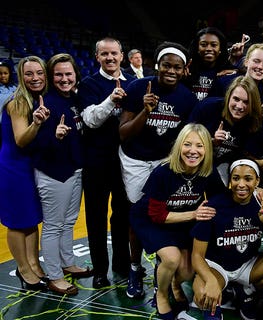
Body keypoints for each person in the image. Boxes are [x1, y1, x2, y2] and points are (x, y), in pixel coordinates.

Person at [119, 41, 196, 299]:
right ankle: (135, 267)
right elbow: (123, 134)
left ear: (185, 70)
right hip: (136, 160)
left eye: (177, 67)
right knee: (139, 214)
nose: (171, 71)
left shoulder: (187, 98)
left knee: (163, 212)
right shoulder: (138, 87)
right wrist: (145, 111)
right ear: (157, 65)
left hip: (165, 162)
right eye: (166, 65)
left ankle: (163, 267)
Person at [129, 123, 225, 319]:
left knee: (188, 271)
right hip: (151, 218)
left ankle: (172, 282)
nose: (193, 151)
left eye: (199, 146)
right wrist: (193, 214)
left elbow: (220, 198)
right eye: (187, 145)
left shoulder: (208, 171)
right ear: (179, 146)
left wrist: (254, 192)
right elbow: (157, 215)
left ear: (207, 148)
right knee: (172, 258)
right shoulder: (163, 172)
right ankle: (161, 295)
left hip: (182, 218)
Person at [77, 37, 137, 289]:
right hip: (96, 161)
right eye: (105, 54)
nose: (110, 58)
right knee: (96, 218)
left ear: (122, 55)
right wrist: (111, 99)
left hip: (125, 162)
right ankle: (100, 270)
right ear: (97, 57)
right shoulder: (89, 84)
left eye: (114, 54)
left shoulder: (135, 83)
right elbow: (90, 120)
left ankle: (122, 265)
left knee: (123, 216)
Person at [191, 158, 263, 320]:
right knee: (202, 294)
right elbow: (196, 256)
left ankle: (246, 292)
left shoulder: (262, 206)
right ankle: (219, 301)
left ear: (257, 181)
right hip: (217, 266)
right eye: (236, 178)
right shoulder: (213, 207)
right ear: (230, 181)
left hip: (247, 264)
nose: (241, 184)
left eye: (248, 179)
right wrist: (211, 281)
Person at [32, 53, 88, 296]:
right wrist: (54, 136)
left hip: (74, 169)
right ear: (50, 76)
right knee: (54, 226)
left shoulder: (75, 99)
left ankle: (67, 262)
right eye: (58, 75)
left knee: (68, 221)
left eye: (68, 74)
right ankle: (54, 275)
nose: (64, 79)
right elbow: (34, 145)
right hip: (54, 172)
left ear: (75, 75)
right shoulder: (45, 103)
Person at [0, 56, 49, 291]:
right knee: (18, 222)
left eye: (39, 72)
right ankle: (23, 268)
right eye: (29, 74)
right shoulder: (18, 102)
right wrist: (37, 123)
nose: (35, 78)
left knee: (31, 220)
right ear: (20, 75)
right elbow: (21, 140)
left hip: (28, 165)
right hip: (14, 167)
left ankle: (33, 264)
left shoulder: (36, 98)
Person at [189, 75, 263, 184]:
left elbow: (245, 158)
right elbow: (184, 141)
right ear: (228, 96)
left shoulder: (253, 122)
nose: (239, 106)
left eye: (246, 102)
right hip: (194, 160)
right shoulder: (208, 107)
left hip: (223, 167)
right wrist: (212, 141)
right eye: (236, 99)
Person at [185, 27, 236, 101]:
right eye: (203, 45)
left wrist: (236, 73)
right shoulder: (186, 70)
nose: (208, 48)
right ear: (197, 48)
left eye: (214, 45)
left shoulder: (228, 72)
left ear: (220, 49)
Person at [0, 59, 18, 147]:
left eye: (5, 73)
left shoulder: (15, 89)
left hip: (12, 124)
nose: (3, 76)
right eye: (0, 73)